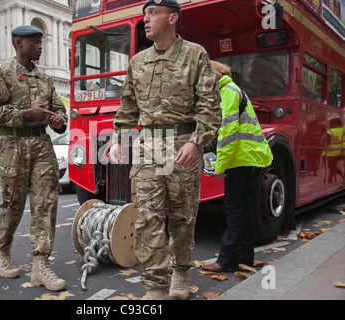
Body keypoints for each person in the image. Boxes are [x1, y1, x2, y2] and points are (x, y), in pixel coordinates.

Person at [109, 0, 221, 300]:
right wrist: (118, 139)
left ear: (172, 18)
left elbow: (210, 108)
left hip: (181, 145)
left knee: (183, 217)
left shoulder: (195, 55)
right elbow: (128, 108)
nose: (145, 19)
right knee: (148, 217)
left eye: (153, 13)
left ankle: (181, 271)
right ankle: (155, 286)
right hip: (148, 147)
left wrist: (196, 143)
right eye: (144, 14)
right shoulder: (137, 62)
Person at [0, 25, 68, 291]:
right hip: (13, 145)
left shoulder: (45, 78)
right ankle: (1, 252)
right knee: (13, 203)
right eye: (35, 41)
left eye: (41, 41)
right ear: (19, 43)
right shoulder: (1, 73)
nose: (40, 46)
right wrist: (25, 115)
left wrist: (57, 121)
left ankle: (40, 265)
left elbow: (61, 115)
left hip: (42, 145)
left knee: (46, 203)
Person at [202, 61, 273, 273]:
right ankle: (245, 258)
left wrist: (220, 166)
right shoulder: (232, 90)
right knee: (245, 208)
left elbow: (229, 132)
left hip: (241, 158)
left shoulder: (227, 92)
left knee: (233, 209)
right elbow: (229, 131)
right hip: (249, 157)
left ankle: (226, 260)